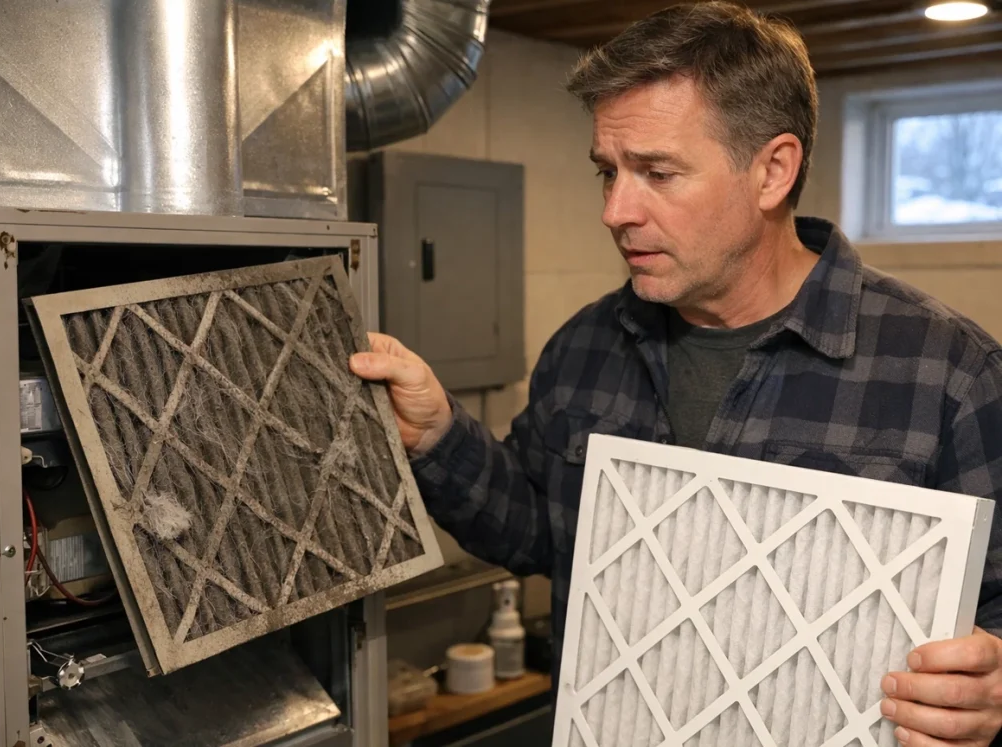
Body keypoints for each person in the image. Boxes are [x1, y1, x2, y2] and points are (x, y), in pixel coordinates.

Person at [350, 2, 1002, 743]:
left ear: (773, 171)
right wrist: (438, 435)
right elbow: (537, 534)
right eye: (608, 172)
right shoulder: (585, 347)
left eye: (657, 172)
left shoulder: (948, 375)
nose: (615, 211)